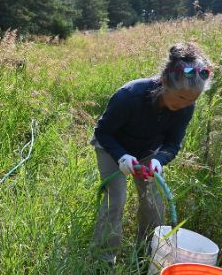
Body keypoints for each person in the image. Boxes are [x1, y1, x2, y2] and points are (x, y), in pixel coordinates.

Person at [91, 42, 214, 262]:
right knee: (116, 199)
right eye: (181, 98)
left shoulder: (186, 107)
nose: (185, 105)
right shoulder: (129, 96)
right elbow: (103, 132)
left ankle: (146, 253)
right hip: (112, 147)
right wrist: (121, 156)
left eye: (192, 101)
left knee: (154, 202)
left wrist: (159, 159)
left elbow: (173, 143)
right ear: (166, 84)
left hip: (148, 151)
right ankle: (104, 258)